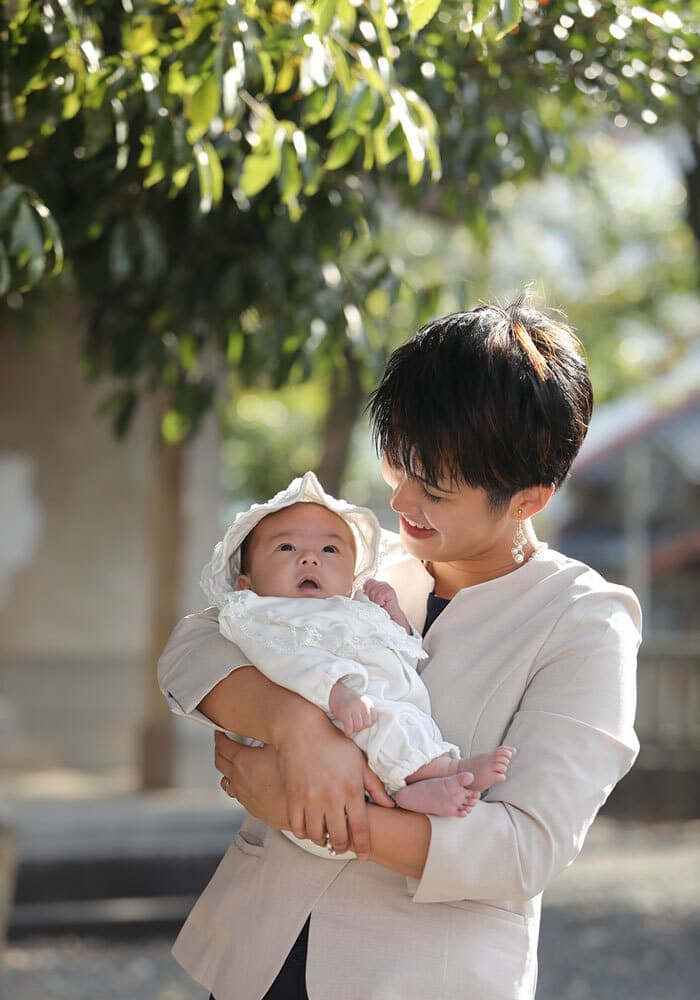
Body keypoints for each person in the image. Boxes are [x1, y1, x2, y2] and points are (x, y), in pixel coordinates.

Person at [158, 293, 642, 1000]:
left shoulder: (584, 622)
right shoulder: (355, 561)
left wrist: (313, 808)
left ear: (530, 498)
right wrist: (294, 730)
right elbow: (196, 644)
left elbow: (521, 849)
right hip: (257, 960)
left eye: (436, 490)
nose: (402, 503)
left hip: (418, 978)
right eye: (399, 464)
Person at [199, 470, 514, 835]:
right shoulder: (260, 614)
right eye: (286, 548)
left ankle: (413, 793)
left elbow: (404, 658)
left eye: (329, 549)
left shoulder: (355, 607)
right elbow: (284, 660)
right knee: (386, 723)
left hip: (366, 718)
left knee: (403, 722)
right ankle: (443, 772)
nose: (309, 559)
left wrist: (394, 616)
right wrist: (337, 693)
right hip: (329, 720)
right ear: (246, 582)